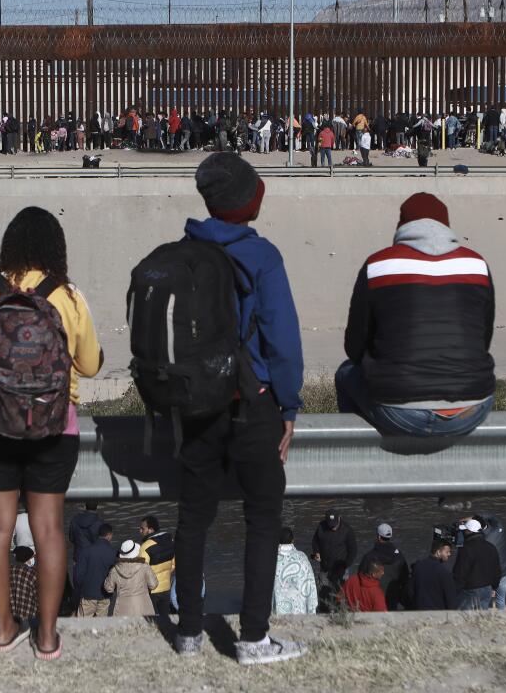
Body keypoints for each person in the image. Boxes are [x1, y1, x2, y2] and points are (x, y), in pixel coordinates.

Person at [172, 152, 306, 665]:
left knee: (193, 518)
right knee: (264, 517)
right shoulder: (263, 256)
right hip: (254, 405)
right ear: (251, 201)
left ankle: (187, 634)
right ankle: (252, 639)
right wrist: (289, 406)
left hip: (198, 406)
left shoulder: (184, 250)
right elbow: (283, 341)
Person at [0, 206, 103, 660]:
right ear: (55, 249)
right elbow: (92, 366)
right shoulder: (68, 296)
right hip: (55, 428)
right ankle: (47, 637)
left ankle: (2, 631)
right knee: (50, 530)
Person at [337, 193, 495, 438]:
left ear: (401, 226)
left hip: (400, 412)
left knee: (346, 373)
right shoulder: (476, 264)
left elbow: (354, 347)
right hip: (472, 407)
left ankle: (356, 456)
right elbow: (484, 338)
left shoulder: (378, 265)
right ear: (446, 225)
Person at [358, 522, 409, 611]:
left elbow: (360, 578)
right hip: (393, 596)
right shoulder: (399, 556)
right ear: (390, 537)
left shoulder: (369, 557)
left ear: (378, 537)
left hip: (374, 598)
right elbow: (405, 578)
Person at [453, 519, 501, 610]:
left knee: (464, 617)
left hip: (470, 591)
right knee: (480, 617)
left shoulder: (466, 549)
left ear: (469, 531)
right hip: (487, 589)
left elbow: (460, 573)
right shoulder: (491, 547)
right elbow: (497, 571)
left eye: (465, 530)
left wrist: (454, 590)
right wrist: (494, 587)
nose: (463, 532)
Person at [104, 540, 158, 617]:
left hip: (122, 608)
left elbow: (108, 588)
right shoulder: (144, 567)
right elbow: (153, 585)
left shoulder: (115, 570)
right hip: (143, 606)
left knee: (124, 628)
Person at [74, 524, 118, 617]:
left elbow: (78, 575)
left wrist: (80, 591)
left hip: (87, 594)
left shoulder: (85, 551)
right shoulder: (113, 552)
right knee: (101, 626)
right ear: (109, 535)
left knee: (83, 625)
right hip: (105, 596)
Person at [272, 528, 318, 615]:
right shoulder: (301, 557)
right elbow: (310, 582)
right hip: (300, 611)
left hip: (278, 613)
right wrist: (312, 608)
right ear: (293, 540)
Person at [138, 515, 176, 617]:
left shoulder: (145, 546)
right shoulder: (170, 541)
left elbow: (142, 570)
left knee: (152, 618)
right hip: (166, 587)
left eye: (142, 528)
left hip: (152, 590)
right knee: (165, 617)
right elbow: (173, 564)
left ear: (150, 530)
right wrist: (166, 573)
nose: (140, 531)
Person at [473, 514, 506, 609]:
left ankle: (483, 619)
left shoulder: (481, 542)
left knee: (484, 601)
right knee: (501, 600)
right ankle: (503, 620)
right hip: (505, 573)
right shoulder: (499, 528)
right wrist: (479, 516)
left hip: (491, 578)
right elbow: (493, 518)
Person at [312, 513, 358, 587]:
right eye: (330, 524)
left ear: (339, 518)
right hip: (325, 568)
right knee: (323, 593)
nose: (333, 526)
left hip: (341, 569)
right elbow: (315, 542)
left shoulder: (347, 530)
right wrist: (316, 552)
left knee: (341, 593)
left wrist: (345, 565)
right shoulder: (321, 527)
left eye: (335, 524)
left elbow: (353, 550)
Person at [410, 540, 458, 611]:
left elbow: (410, 590)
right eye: (447, 552)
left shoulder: (418, 566)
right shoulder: (444, 573)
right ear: (438, 552)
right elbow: (450, 600)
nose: (449, 554)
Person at [9, 546, 39, 622]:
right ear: (27, 559)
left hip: (10, 616)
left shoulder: (6, 571)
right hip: (29, 615)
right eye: (32, 557)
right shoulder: (32, 574)